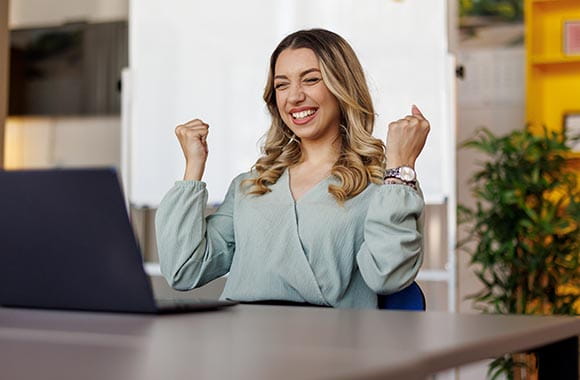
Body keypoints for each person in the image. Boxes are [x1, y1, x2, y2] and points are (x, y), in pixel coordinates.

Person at [155, 29, 430, 309]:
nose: (294, 97)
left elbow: (388, 276)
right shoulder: (251, 185)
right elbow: (184, 270)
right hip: (240, 341)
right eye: (282, 85)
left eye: (311, 80)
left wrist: (400, 168)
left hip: (329, 344)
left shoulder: (384, 186)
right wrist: (193, 168)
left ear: (342, 87)